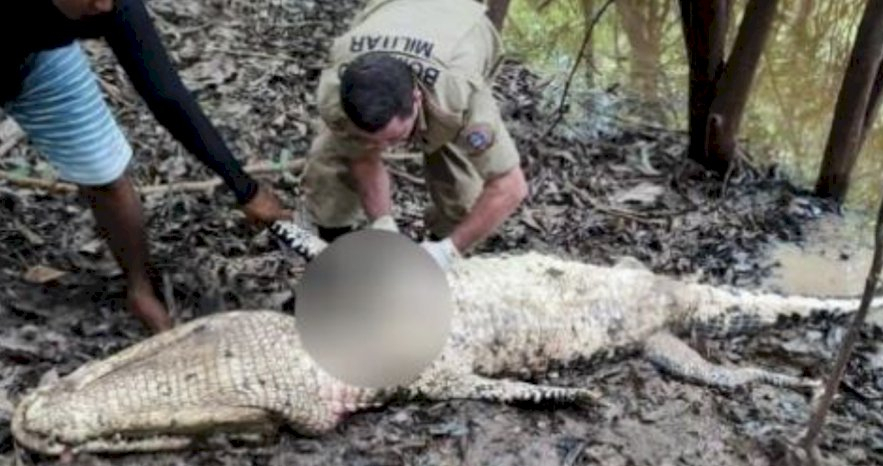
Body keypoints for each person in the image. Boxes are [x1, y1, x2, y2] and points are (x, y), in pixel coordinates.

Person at [1, 0, 291, 333]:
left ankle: (140, 289)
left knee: (105, 172)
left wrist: (245, 189)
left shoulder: (109, 6)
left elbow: (166, 96)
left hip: (39, 59)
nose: (103, 5)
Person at [299, 0, 529, 270]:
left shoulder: (458, 97)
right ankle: (334, 251)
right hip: (393, 8)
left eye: (394, 139)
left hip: (461, 22)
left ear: (416, 99)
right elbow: (363, 158)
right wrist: (383, 223)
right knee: (329, 170)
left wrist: (447, 250)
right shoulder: (337, 93)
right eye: (374, 140)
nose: (385, 149)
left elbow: (510, 187)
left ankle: (437, 254)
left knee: (461, 195)